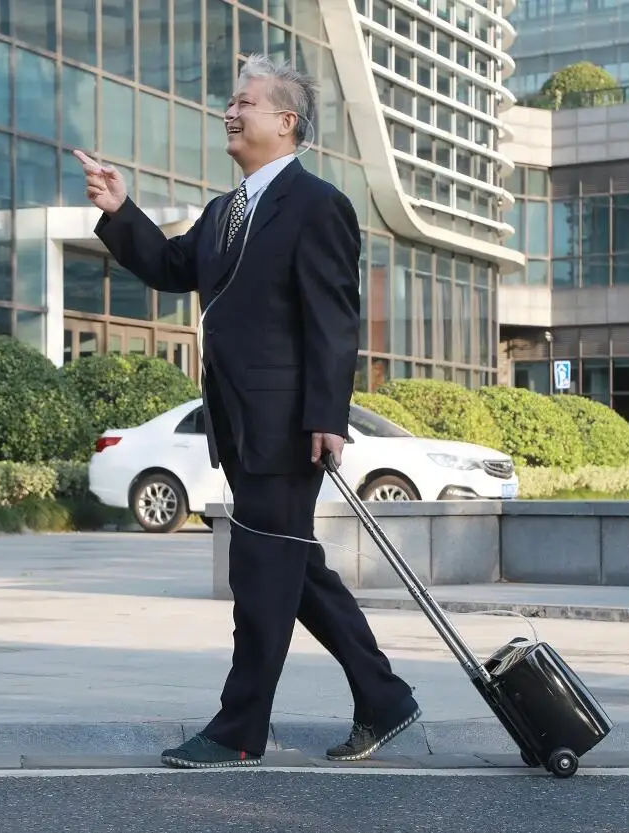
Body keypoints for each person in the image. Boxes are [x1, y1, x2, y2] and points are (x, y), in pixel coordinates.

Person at [74, 53, 419, 769]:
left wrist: (328, 413)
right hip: (241, 424)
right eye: (231, 104)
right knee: (290, 569)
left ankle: (238, 730)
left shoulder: (318, 203)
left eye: (245, 103)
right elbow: (174, 269)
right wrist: (119, 210)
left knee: (261, 575)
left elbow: (334, 317)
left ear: (286, 122)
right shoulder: (226, 209)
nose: (229, 113)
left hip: (289, 425)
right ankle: (384, 698)